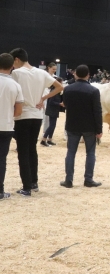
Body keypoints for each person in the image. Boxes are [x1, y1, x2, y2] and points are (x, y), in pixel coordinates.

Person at [10, 48, 63, 196]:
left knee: (23, 151)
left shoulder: (16, 73)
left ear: (16, 60)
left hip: (22, 115)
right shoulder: (41, 72)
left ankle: (26, 187)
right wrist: (44, 98)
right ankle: (34, 182)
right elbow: (59, 87)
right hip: (37, 115)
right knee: (32, 149)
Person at [61, 65, 102, 188]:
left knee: (71, 152)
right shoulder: (94, 91)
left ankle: (68, 180)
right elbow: (97, 111)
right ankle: (88, 179)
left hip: (72, 124)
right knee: (90, 153)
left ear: (75, 74)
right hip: (89, 126)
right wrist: (99, 129)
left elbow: (66, 105)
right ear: (88, 75)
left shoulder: (68, 89)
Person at [0, 53, 24, 200]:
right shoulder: (15, 85)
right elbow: (19, 111)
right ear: (12, 67)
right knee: (1, 159)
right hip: (6, 126)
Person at [40, 77, 64, 147]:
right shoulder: (54, 91)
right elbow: (51, 102)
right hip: (52, 110)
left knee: (53, 125)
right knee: (51, 125)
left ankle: (49, 139)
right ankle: (44, 139)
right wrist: (60, 104)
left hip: (54, 110)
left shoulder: (56, 91)